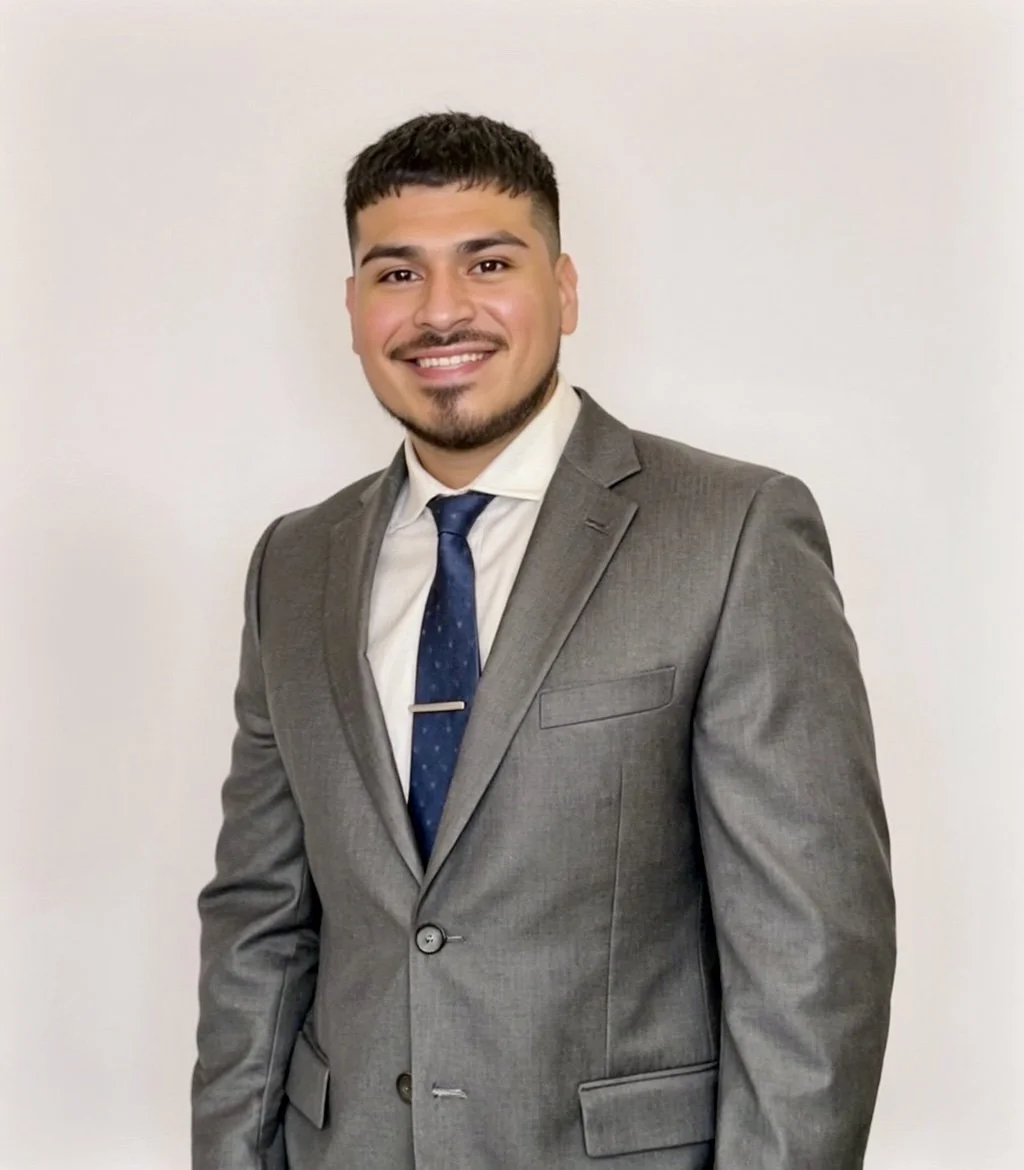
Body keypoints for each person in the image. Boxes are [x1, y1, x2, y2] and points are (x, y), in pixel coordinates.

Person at [192, 111, 896, 1170]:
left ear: (562, 289)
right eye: (395, 275)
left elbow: (811, 951)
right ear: (349, 309)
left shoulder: (730, 532)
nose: (441, 311)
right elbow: (259, 923)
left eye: (487, 261)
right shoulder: (293, 564)